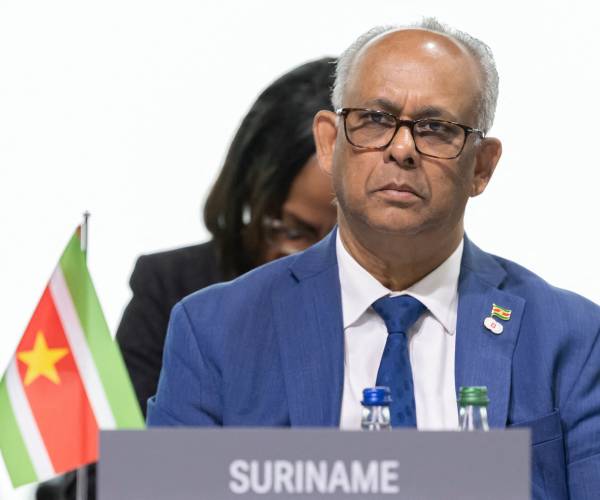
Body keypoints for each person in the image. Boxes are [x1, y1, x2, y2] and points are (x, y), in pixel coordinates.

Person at [147, 19, 600, 500]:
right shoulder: (213, 330)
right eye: (376, 120)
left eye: (436, 128)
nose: (402, 149)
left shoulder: (570, 338)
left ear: (482, 166)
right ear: (329, 142)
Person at [36, 57, 337, 500]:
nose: (320, 262)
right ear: (247, 199)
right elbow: (118, 473)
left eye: (347, 238)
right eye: (295, 232)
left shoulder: (409, 302)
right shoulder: (175, 288)